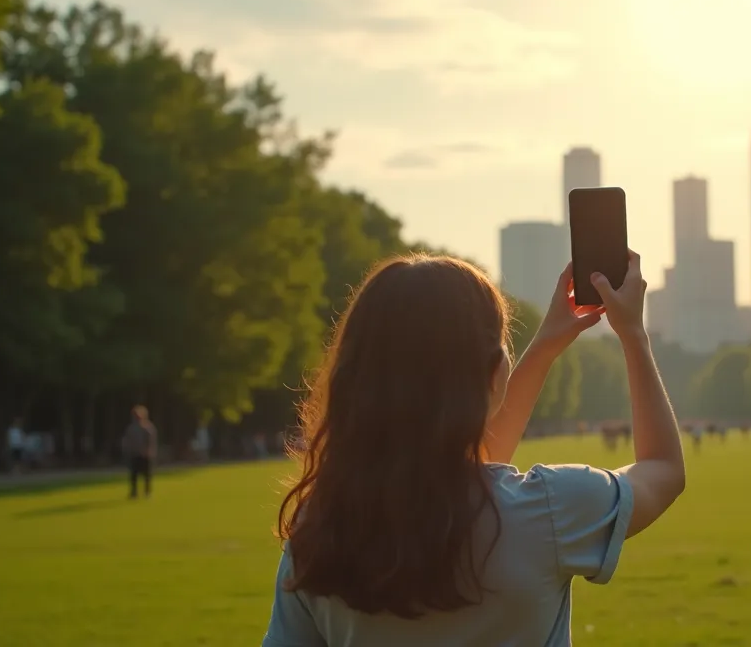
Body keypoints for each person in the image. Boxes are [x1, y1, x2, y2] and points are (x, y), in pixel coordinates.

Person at [262, 252, 685, 646]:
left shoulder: (317, 530)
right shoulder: (550, 510)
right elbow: (662, 469)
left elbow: (465, 476)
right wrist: (632, 334)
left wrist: (544, 345)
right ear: (495, 371)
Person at [122, 405, 158, 498]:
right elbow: (127, 440)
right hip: (134, 454)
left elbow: (151, 441)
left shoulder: (148, 427)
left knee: (147, 475)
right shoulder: (131, 428)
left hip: (145, 455)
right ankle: (134, 492)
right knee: (133, 475)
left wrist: (148, 451)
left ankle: (147, 492)